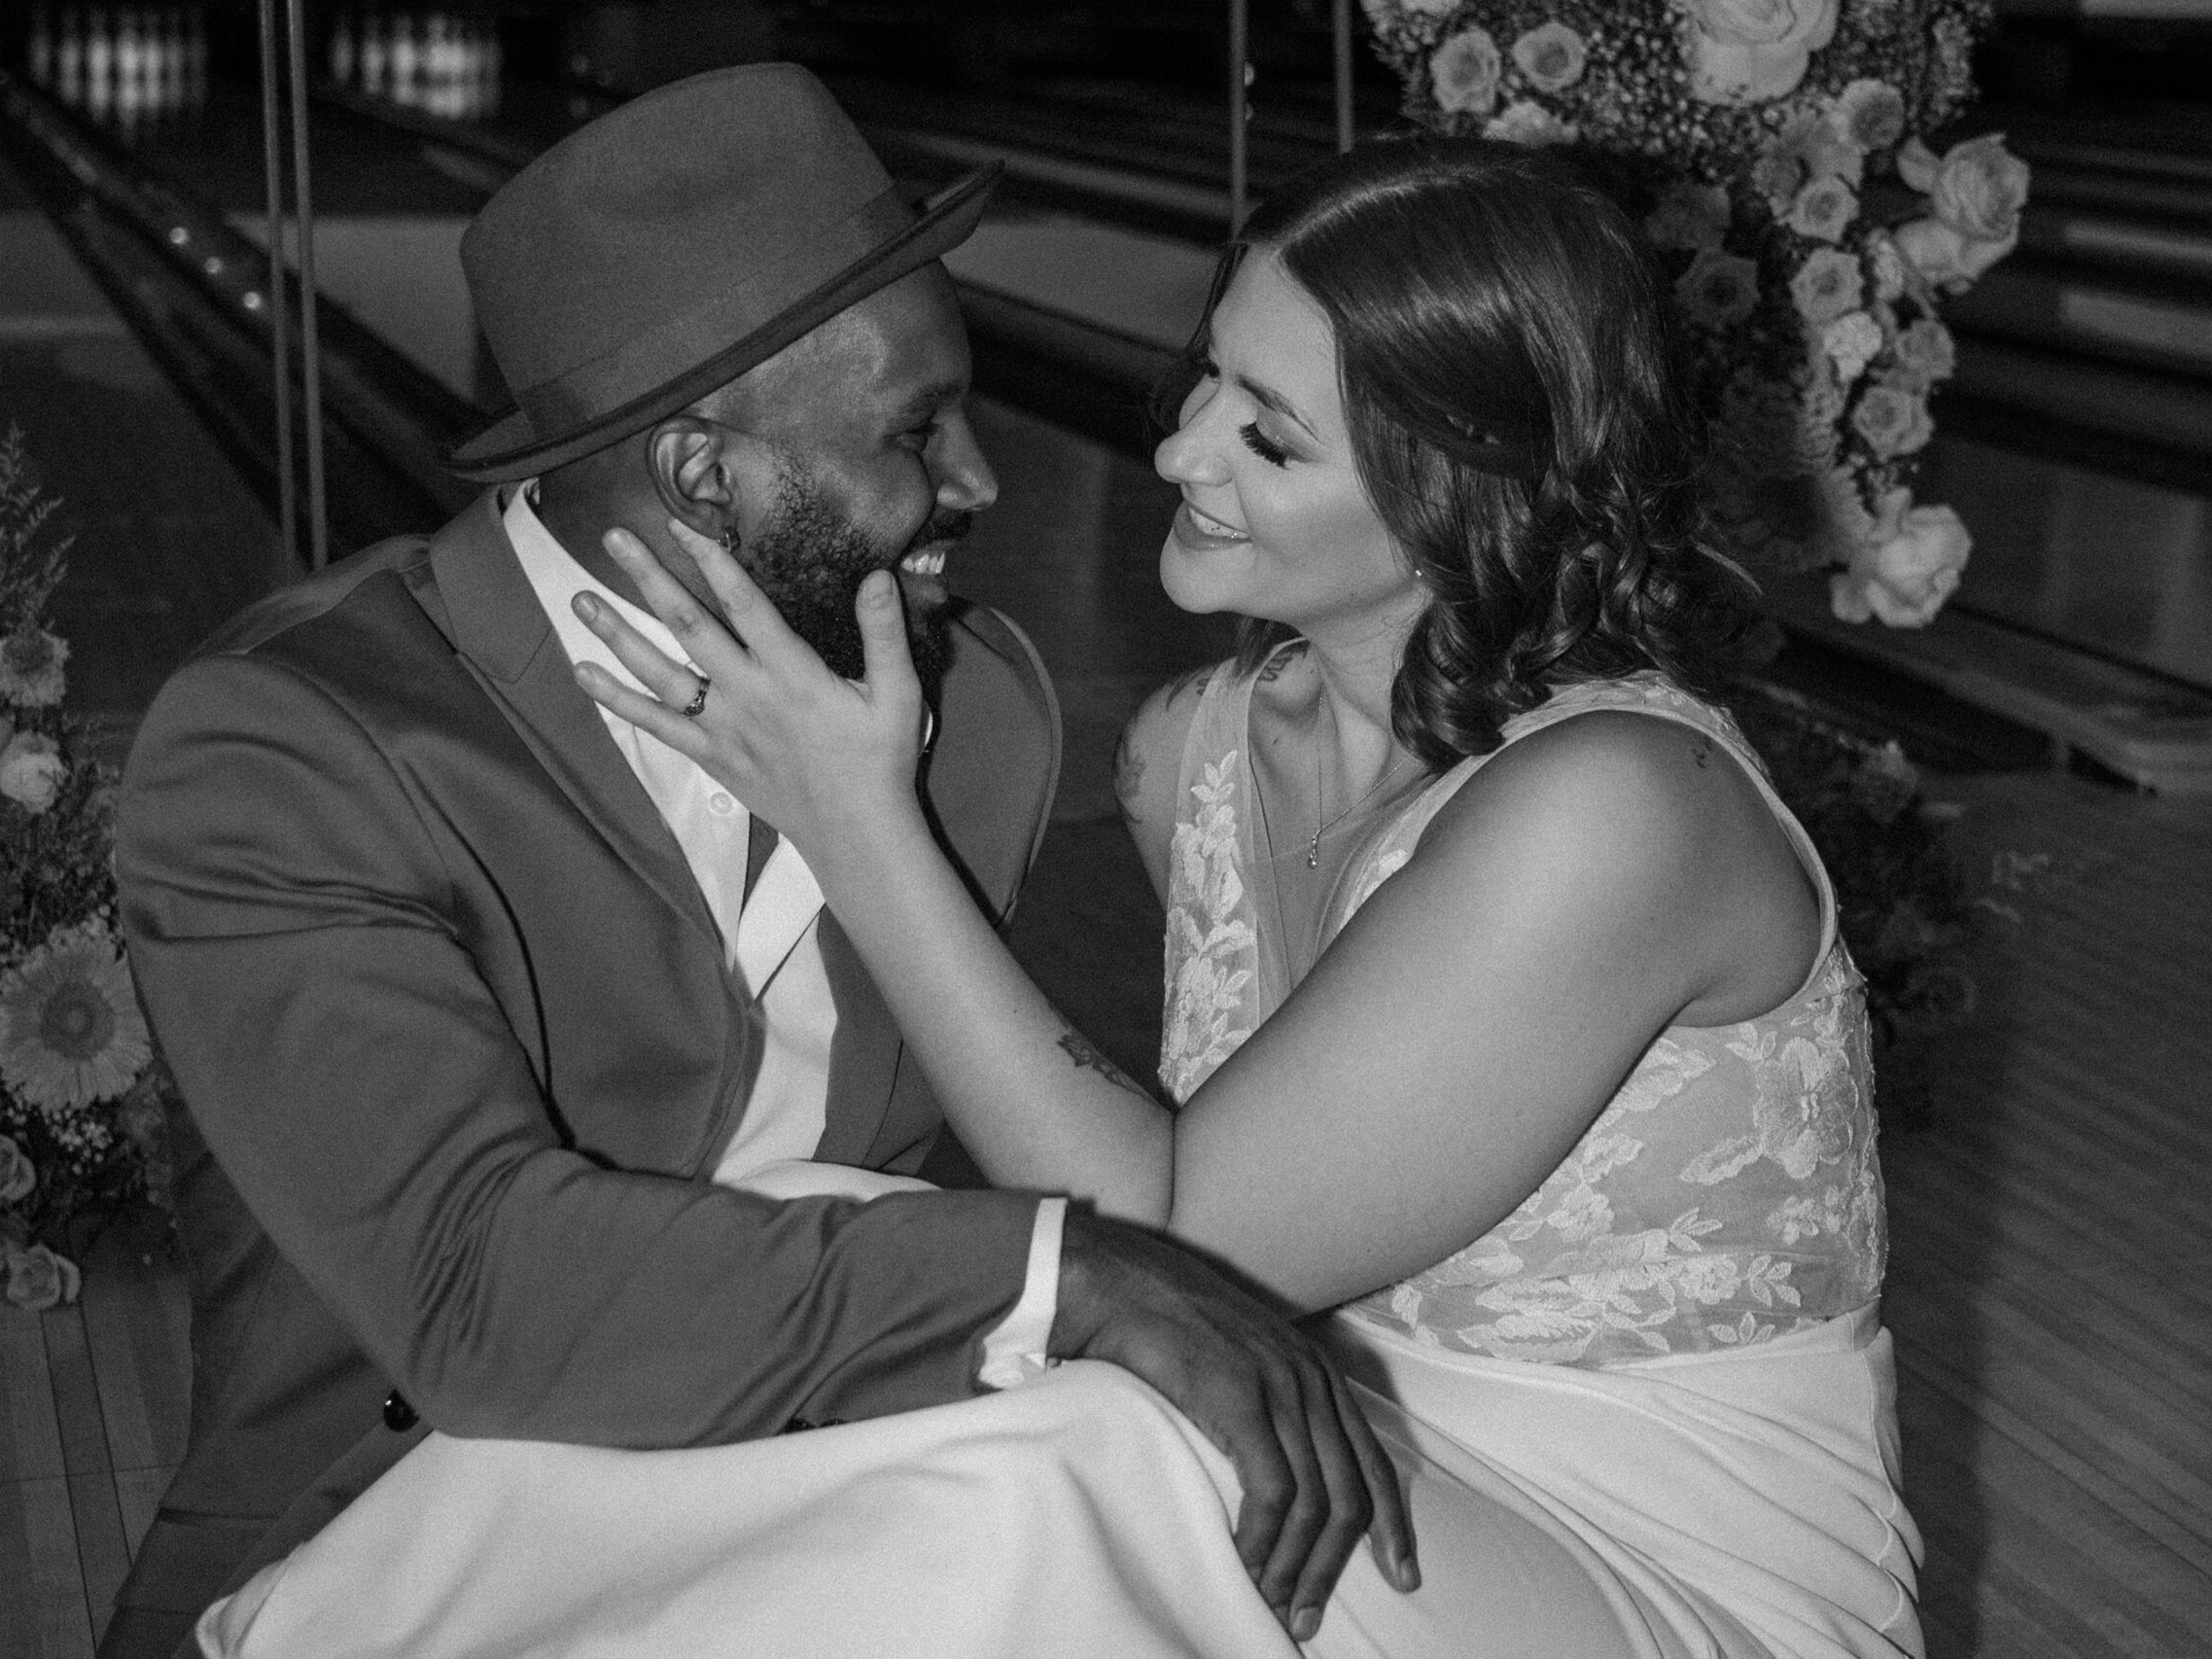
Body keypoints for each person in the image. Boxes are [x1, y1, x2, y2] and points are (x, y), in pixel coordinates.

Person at [199, 137, 1927, 1658]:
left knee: (1088, 1441)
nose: (1176, 451)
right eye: (1201, 381)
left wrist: (851, 815)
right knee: (859, 1249)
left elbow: (1176, 1246)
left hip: (1661, 1568)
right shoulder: (1197, 753)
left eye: (1265, 432)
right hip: (1337, 1457)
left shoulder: (1617, 812)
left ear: (1458, 485)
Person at [107, 65, 1405, 1659]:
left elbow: (945, 1174)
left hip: (806, 1468)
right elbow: (476, 1287)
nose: (984, 482)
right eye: (917, 429)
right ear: (702, 475)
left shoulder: (970, 708)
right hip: (395, 1518)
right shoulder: (294, 747)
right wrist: (1069, 1279)